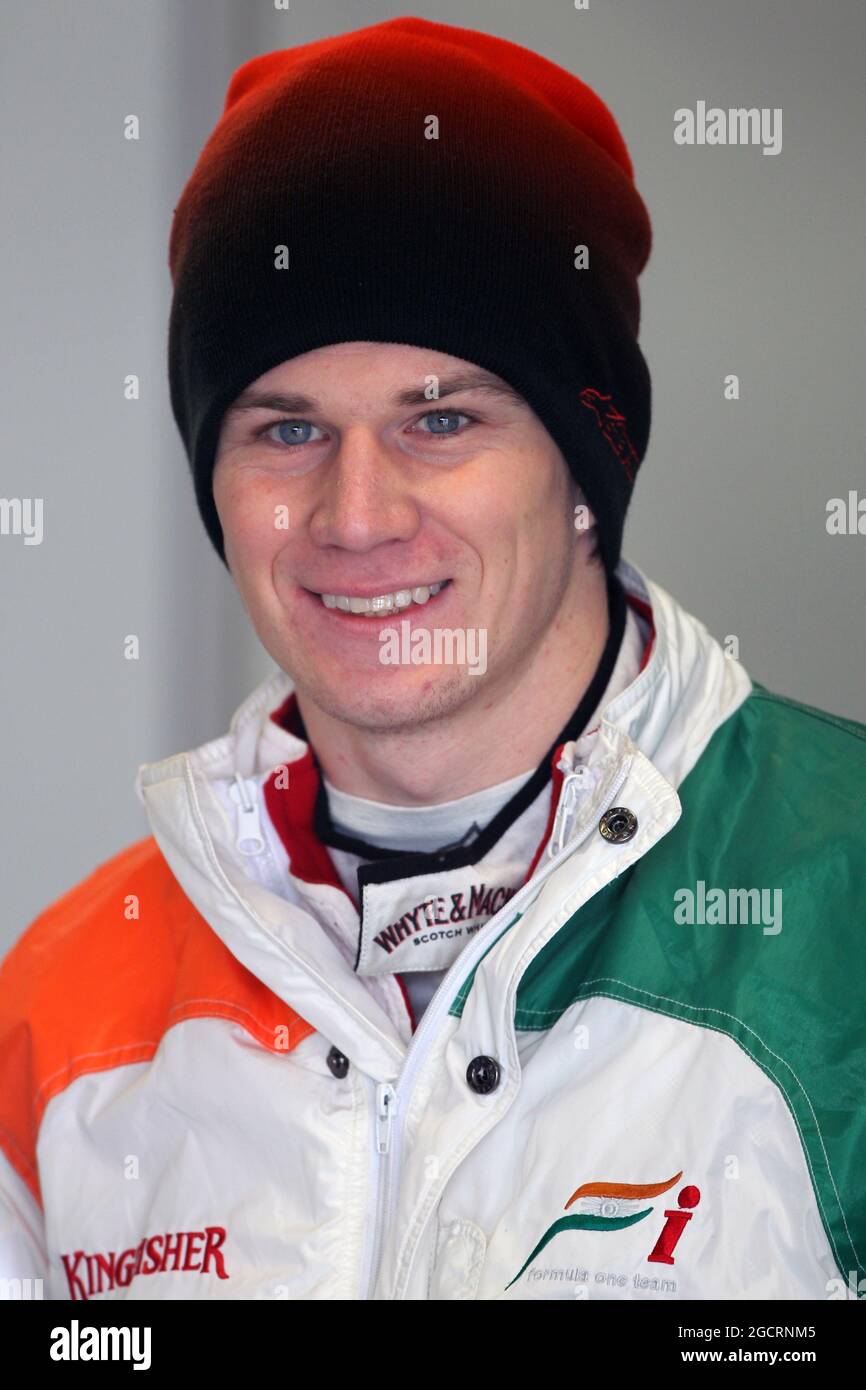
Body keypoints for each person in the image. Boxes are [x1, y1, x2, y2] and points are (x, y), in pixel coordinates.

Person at [1, 15, 863, 1303]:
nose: (357, 516)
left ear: (586, 464)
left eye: (443, 418)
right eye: (286, 430)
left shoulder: (838, 910)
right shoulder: (58, 1011)